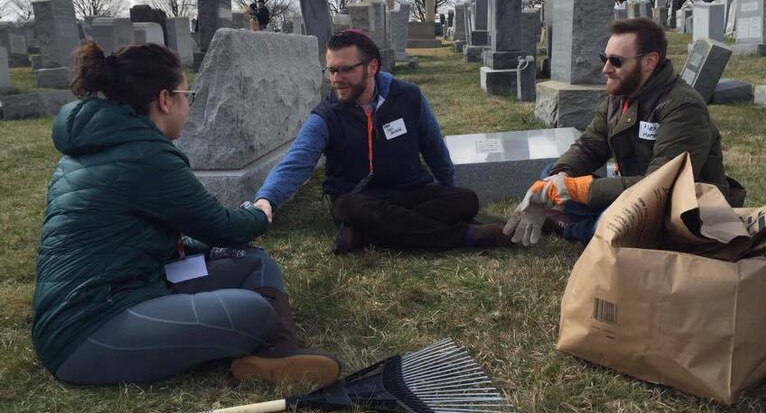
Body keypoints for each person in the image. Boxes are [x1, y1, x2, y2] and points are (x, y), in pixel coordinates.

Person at [32, 42, 340, 386]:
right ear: (164, 100)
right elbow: (221, 226)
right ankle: (263, 342)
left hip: (141, 283)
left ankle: (277, 356)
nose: (188, 105)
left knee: (254, 262)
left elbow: (159, 232)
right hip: (90, 331)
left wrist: (218, 245)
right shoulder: (146, 157)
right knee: (253, 311)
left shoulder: (100, 147)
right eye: (185, 94)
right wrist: (260, 213)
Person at [254, 30, 508, 253]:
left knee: (467, 200)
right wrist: (266, 199)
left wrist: (449, 189)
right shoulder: (326, 116)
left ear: (372, 67)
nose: (336, 79)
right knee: (350, 208)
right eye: (331, 70)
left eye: (345, 69)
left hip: (411, 191)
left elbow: (434, 148)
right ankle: (468, 235)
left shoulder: (409, 96)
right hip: (360, 198)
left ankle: (367, 234)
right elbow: (297, 162)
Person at [505, 17, 733, 246]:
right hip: (633, 193)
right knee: (552, 173)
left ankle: (569, 227)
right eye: (604, 58)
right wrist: (559, 177)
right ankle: (593, 219)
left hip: (679, 206)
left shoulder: (682, 106)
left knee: (615, 225)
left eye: (616, 61)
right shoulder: (620, 96)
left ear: (649, 62)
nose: (605, 68)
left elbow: (662, 185)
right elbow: (590, 145)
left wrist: (578, 190)